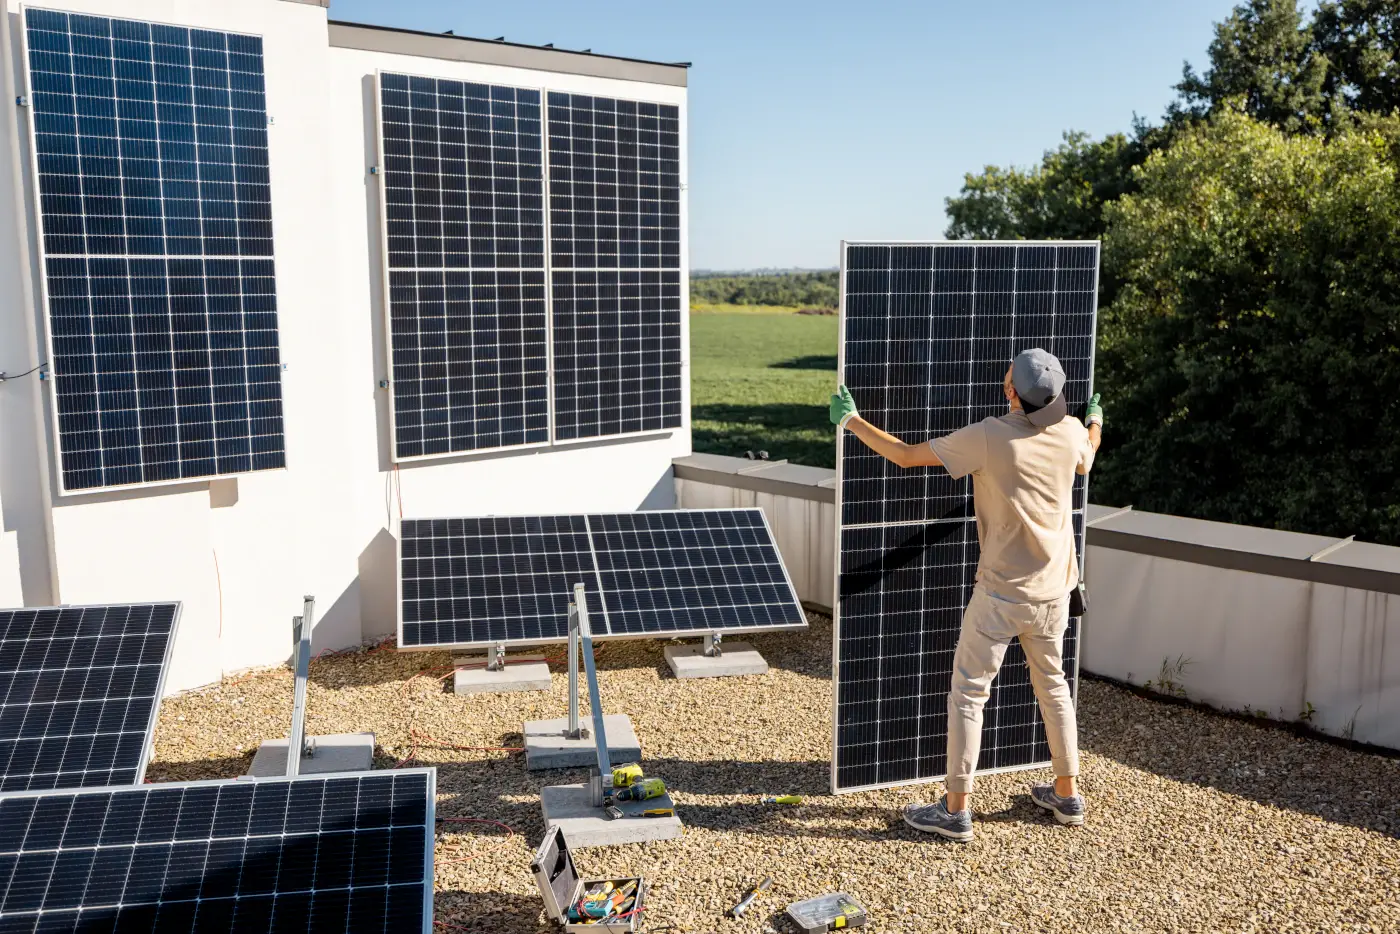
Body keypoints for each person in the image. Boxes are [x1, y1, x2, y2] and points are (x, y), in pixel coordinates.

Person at [830, 348, 1103, 842]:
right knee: (1055, 689)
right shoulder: (1069, 434)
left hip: (1000, 597)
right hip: (1055, 594)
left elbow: (907, 456)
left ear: (1011, 392)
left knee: (969, 695)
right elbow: (1088, 454)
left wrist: (851, 420)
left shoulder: (989, 436)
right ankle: (1067, 794)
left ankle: (956, 810)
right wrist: (1096, 421)